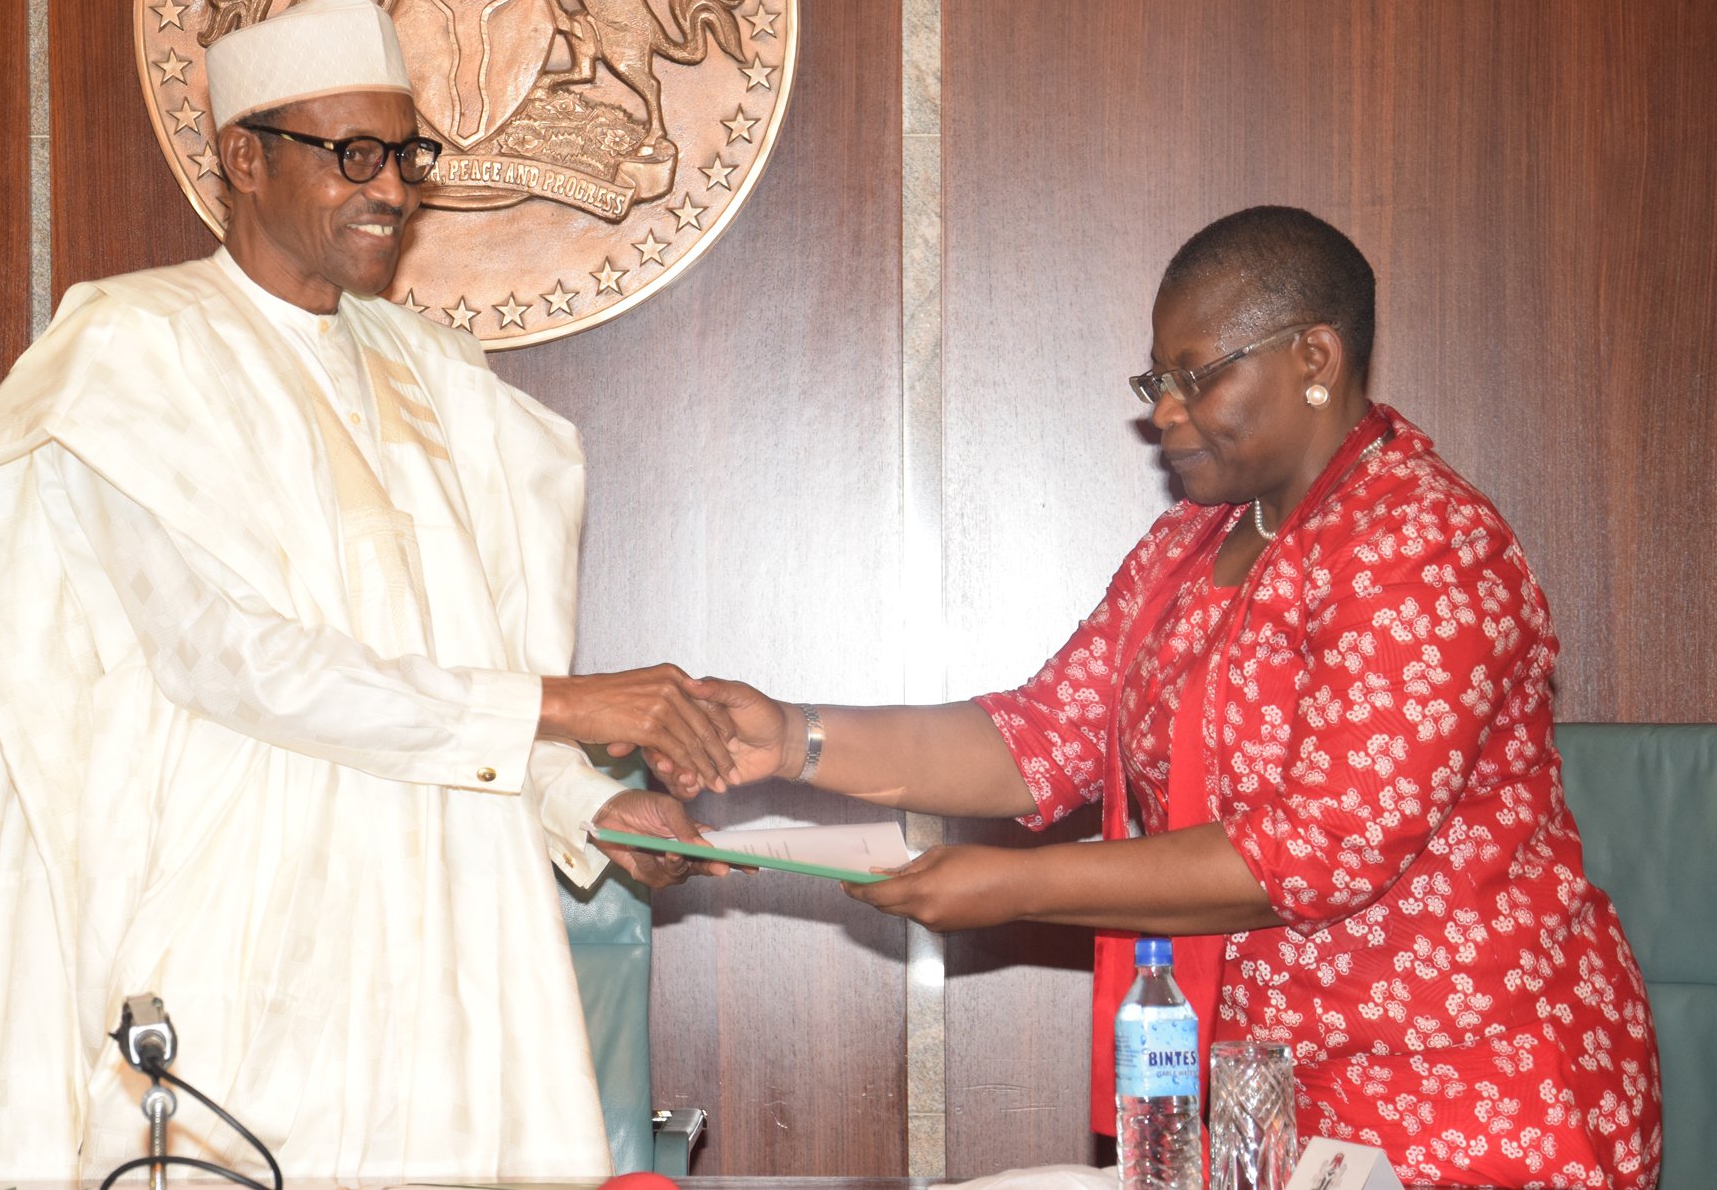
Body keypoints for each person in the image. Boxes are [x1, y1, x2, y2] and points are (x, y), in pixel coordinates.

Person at [0, 0, 734, 1184]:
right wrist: (565, 711)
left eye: (404, 154)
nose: (391, 189)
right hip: (244, 932)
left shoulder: (440, 375)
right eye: (351, 153)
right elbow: (233, 661)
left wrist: (590, 814)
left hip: (458, 954)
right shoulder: (131, 349)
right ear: (243, 158)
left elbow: (480, 667)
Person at [676, 207, 1662, 1188]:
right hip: (1263, 1109)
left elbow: (1321, 847)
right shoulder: (1186, 548)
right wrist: (792, 737)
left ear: (1313, 356)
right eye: (1158, 380)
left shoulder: (1419, 543)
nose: (1165, 411)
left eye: (1197, 376)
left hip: (1466, 1102)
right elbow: (1035, 737)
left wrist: (1012, 886)